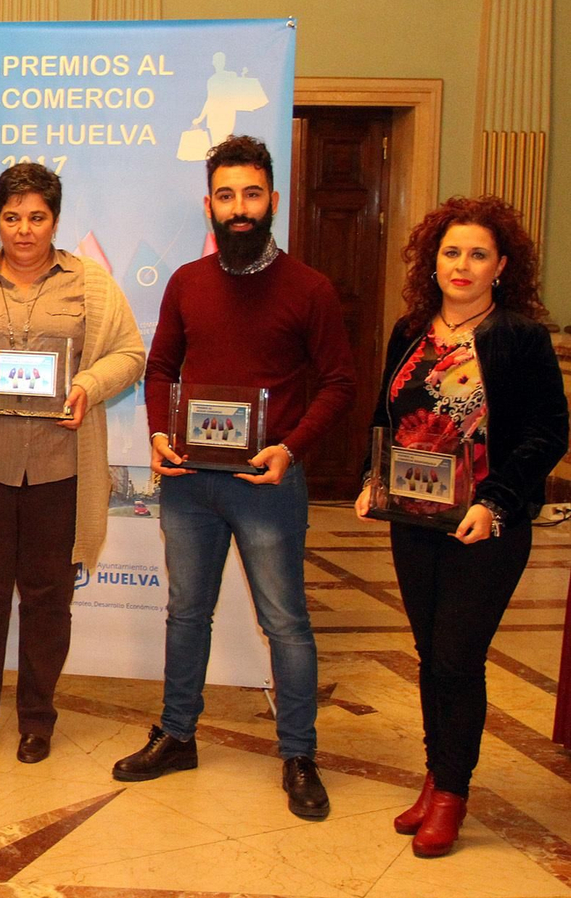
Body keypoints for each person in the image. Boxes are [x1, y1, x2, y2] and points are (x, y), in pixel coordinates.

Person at [114, 135, 354, 820]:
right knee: (187, 611)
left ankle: (299, 754)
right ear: (209, 204)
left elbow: (340, 380)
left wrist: (292, 448)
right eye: (227, 195)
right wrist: (160, 434)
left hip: (268, 483)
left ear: (272, 200)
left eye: (252, 194)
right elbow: (160, 369)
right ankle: (177, 734)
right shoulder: (189, 282)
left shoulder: (310, 288)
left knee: (286, 623)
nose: (240, 208)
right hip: (190, 481)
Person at [354, 196, 567, 857]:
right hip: (412, 519)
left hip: (485, 525)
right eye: (452, 252)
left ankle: (452, 792)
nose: (463, 265)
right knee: (429, 655)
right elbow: (385, 414)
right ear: (433, 260)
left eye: (478, 254)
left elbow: (547, 433)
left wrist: (496, 501)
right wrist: (372, 478)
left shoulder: (519, 337)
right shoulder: (409, 329)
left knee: (457, 655)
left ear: (501, 265)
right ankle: (434, 772)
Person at [0, 163, 144, 762]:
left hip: (60, 470)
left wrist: (88, 384)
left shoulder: (93, 285)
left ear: (55, 220)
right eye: (11, 217)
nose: (23, 231)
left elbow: (130, 353)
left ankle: (37, 719)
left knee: (49, 597)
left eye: (37, 218)